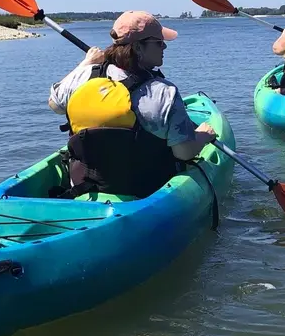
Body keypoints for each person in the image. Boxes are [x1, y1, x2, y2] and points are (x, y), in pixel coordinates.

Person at [47, 11, 217, 199]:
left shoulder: (84, 75)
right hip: (145, 192)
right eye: (159, 43)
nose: (165, 47)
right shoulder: (164, 92)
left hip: (84, 187)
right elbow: (183, 152)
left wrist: (86, 63)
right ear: (138, 48)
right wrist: (203, 136)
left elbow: (54, 105)